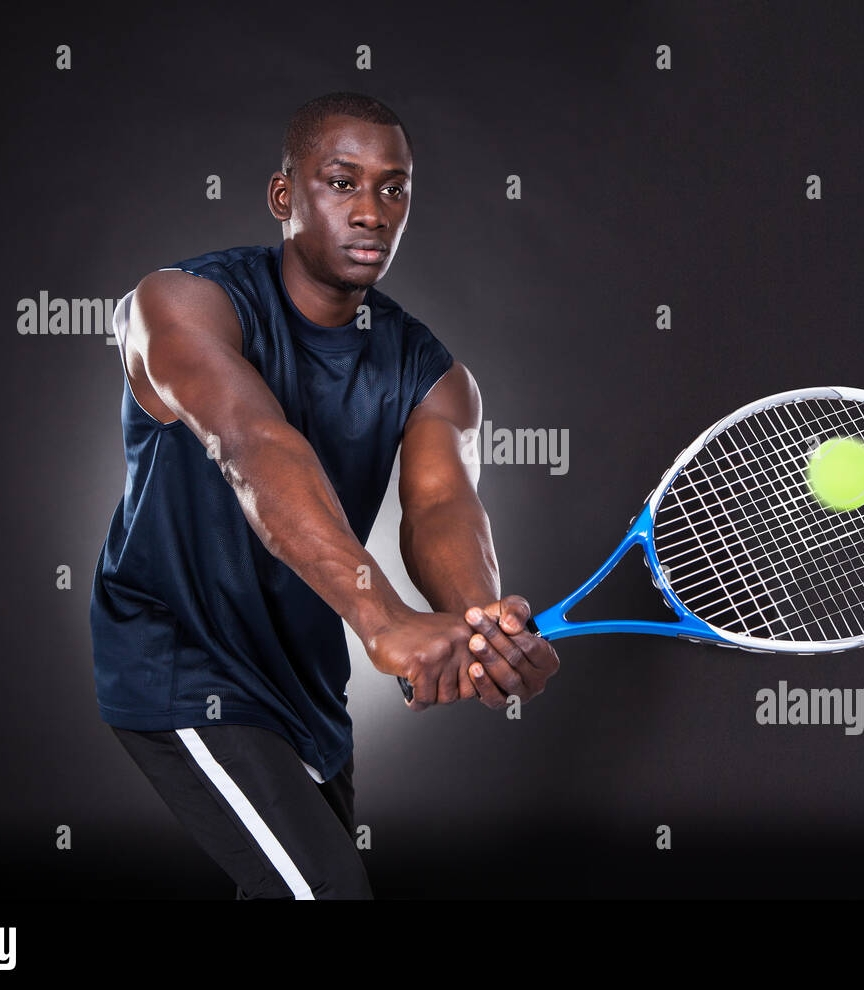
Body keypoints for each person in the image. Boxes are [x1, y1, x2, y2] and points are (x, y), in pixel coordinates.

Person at [89, 91, 559, 899]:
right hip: (182, 661)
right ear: (286, 197)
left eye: (394, 188)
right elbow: (254, 449)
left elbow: (442, 505)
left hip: (306, 688)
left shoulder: (431, 371)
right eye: (343, 183)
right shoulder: (182, 303)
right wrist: (385, 622)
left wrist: (481, 627)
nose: (372, 211)